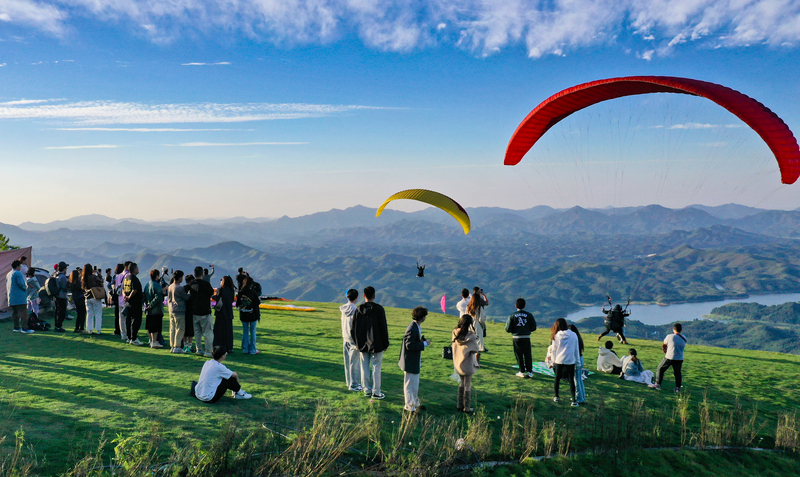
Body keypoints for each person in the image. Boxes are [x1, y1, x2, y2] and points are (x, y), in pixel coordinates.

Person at [351, 286, 389, 400]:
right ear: (374, 296)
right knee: (376, 367)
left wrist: (356, 343)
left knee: (364, 367)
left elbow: (353, 329)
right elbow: (383, 327)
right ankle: (376, 391)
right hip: (377, 343)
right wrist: (385, 343)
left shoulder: (358, 309)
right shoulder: (379, 309)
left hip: (362, 343)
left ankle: (366, 390)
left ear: (364, 296)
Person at [399, 306, 431, 412]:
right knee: (409, 384)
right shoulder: (412, 328)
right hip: (410, 361)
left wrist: (420, 341)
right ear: (422, 317)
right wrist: (425, 344)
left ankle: (415, 403)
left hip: (413, 360)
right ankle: (409, 407)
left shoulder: (415, 327)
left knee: (414, 384)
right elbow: (409, 345)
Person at [452, 314, 480, 413]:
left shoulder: (455, 333)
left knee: (462, 383)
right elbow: (476, 349)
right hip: (467, 364)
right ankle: (467, 407)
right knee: (467, 384)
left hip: (458, 364)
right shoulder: (471, 336)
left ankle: (459, 405)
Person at [550, 318, 580, 406]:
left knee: (557, 378)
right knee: (571, 380)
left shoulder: (556, 336)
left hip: (559, 360)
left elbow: (554, 350)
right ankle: (574, 400)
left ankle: (556, 396)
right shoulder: (573, 335)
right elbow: (576, 349)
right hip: (570, 360)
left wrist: (553, 362)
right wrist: (578, 362)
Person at [650, 323, 687, 393]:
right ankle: (678, 388)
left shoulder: (670, 336)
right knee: (677, 373)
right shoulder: (684, 337)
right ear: (681, 330)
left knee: (660, 369)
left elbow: (664, 344)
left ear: (673, 329)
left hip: (670, 356)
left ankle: (657, 384)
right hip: (679, 358)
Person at [505, 298, 536, 378]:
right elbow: (534, 327)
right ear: (524, 306)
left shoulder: (512, 315)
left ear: (516, 305)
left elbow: (507, 328)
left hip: (516, 337)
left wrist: (514, 330)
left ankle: (522, 371)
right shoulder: (529, 315)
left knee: (519, 354)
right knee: (527, 354)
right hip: (526, 337)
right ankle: (529, 371)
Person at [189, 266, 215, 357]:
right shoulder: (206, 284)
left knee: (197, 333)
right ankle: (208, 350)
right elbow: (211, 293)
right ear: (202, 274)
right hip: (205, 311)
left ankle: (199, 349)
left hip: (195, 311)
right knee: (208, 332)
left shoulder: (192, 284)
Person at [340, 288, 361, 391]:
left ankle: (349, 382)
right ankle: (354, 385)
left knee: (347, 362)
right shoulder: (356, 310)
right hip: (354, 339)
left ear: (347, 297)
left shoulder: (343, 309)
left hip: (345, 337)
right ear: (356, 297)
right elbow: (357, 327)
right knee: (355, 363)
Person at [7, 260, 33, 333]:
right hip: (19, 297)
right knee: (24, 312)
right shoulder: (18, 273)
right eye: (20, 266)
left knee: (15, 313)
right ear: (17, 266)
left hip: (12, 297)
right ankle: (25, 328)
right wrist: (26, 288)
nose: (21, 267)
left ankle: (16, 327)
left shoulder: (9, 274)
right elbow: (21, 284)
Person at [237, 276, 261, 355]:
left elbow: (237, 304)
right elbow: (256, 306)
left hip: (243, 315)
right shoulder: (253, 293)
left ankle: (245, 349)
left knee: (245, 332)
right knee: (253, 332)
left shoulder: (240, 293)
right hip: (252, 315)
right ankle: (253, 350)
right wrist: (258, 316)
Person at [167, 270, 189, 354]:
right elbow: (186, 298)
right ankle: (177, 346)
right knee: (180, 329)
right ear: (180, 278)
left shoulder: (170, 286)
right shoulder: (179, 288)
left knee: (172, 329)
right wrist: (190, 293)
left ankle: (172, 345)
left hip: (171, 310)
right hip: (179, 310)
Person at [143, 269, 166, 348]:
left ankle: (151, 341)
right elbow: (158, 296)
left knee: (149, 326)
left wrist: (146, 304)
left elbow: (144, 296)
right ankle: (154, 341)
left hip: (148, 310)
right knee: (155, 327)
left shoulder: (147, 285)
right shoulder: (157, 285)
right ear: (157, 276)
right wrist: (152, 305)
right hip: (156, 309)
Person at [213, 276, 236, 354]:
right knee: (228, 331)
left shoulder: (220, 289)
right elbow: (232, 300)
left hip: (221, 313)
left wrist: (213, 297)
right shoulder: (231, 290)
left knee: (219, 331)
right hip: (229, 313)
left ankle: (218, 346)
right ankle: (229, 347)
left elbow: (218, 298)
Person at [123, 263, 144, 345]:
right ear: (134, 269)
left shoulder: (127, 278)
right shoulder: (134, 278)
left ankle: (129, 337)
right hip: (135, 303)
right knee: (136, 321)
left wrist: (125, 296)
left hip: (128, 303)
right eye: (137, 267)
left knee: (129, 320)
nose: (138, 269)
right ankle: (134, 338)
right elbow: (135, 290)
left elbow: (123, 289)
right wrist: (130, 297)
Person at [82, 263, 105, 334]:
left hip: (87, 297)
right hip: (95, 296)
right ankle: (98, 330)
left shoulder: (83, 278)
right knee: (98, 314)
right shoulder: (93, 277)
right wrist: (98, 273)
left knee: (89, 314)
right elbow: (101, 280)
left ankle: (90, 330)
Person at [568, 324, 587, 405]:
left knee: (576, 379)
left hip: (576, 360)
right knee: (579, 379)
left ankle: (578, 398)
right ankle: (582, 397)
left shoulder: (573, 339)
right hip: (580, 359)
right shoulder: (579, 339)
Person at [467, 288, 489, 354]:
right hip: (477, 325)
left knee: (471, 342)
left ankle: (471, 360)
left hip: (470, 325)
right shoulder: (479, 308)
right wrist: (483, 326)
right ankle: (477, 361)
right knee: (478, 344)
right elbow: (481, 319)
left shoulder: (468, 307)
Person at [68, 268, 87, 333]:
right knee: (82, 313)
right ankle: (81, 327)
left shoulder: (71, 283)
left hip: (75, 299)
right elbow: (82, 290)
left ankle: (77, 328)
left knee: (79, 314)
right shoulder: (78, 283)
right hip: (81, 299)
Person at [53, 261, 70, 332]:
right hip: (62, 296)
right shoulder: (63, 277)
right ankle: (59, 326)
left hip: (56, 296)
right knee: (62, 312)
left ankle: (57, 325)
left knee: (57, 311)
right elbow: (64, 287)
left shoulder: (55, 275)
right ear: (64, 269)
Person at [182, 274, 196, 353]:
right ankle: (190, 345)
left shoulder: (183, 288)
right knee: (190, 329)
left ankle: (185, 344)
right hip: (191, 310)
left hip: (183, 310)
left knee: (184, 328)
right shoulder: (192, 289)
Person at [111, 263, 124, 336]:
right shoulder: (123, 276)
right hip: (121, 295)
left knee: (117, 314)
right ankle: (122, 329)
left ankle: (117, 329)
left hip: (115, 295)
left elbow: (111, 285)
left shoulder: (114, 277)